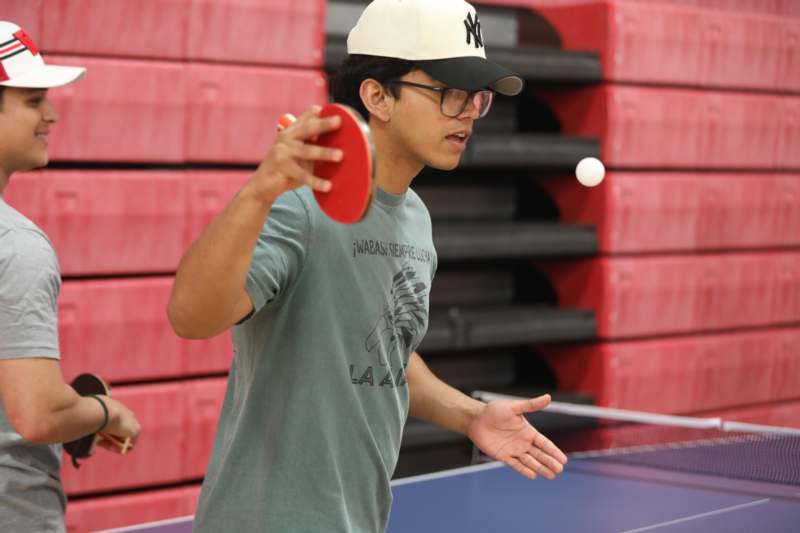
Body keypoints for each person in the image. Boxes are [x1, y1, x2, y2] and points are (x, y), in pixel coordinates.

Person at [167, 1, 567, 531]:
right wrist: (259, 191)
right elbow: (190, 318)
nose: (469, 110)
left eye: (478, 96)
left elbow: (381, 350)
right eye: (449, 91)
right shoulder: (303, 202)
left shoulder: (415, 219)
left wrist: (470, 416)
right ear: (377, 95)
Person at [0, 21, 141, 533]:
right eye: (34, 101)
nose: (52, 114)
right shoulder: (16, 247)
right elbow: (39, 415)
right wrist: (106, 412)